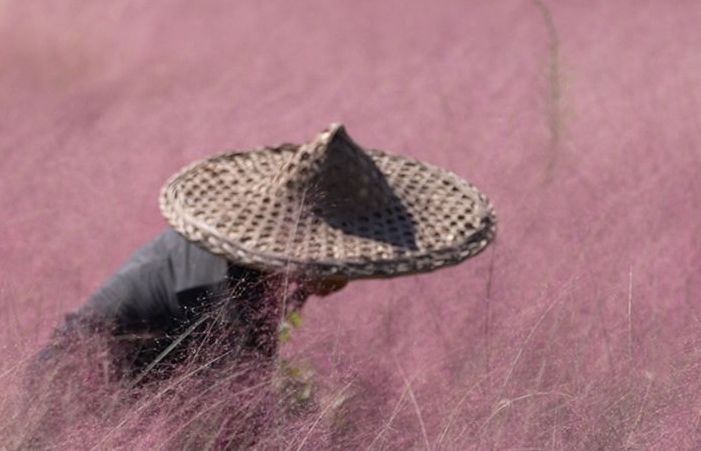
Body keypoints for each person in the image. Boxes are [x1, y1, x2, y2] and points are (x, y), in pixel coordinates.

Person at [37, 124, 497, 384]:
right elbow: (239, 427)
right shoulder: (225, 295)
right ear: (298, 249)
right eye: (336, 261)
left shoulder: (259, 268)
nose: (343, 278)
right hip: (73, 400)